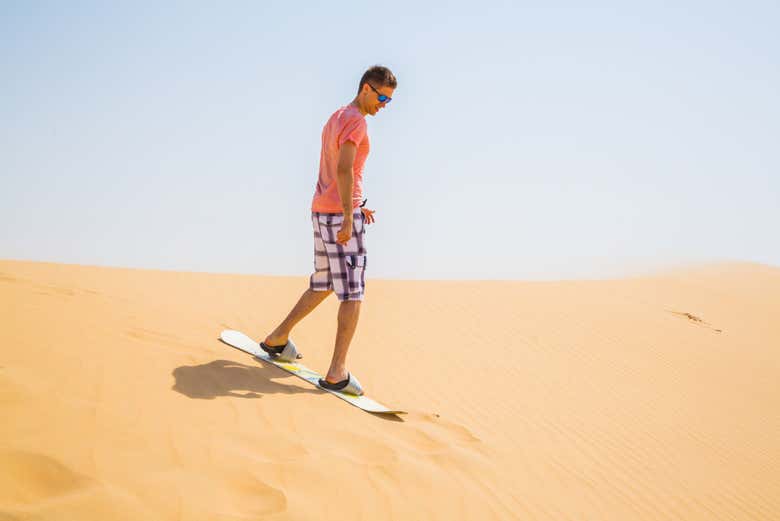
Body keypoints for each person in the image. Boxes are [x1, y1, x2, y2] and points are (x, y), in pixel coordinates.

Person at [259, 65, 397, 396]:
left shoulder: (335, 117)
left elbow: (338, 171)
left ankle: (278, 338)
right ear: (366, 89)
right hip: (339, 217)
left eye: (388, 100)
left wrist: (356, 204)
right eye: (381, 97)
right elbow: (344, 167)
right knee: (353, 292)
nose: (383, 104)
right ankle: (337, 371)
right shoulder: (356, 121)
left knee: (324, 282)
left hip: (322, 211)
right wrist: (350, 216)